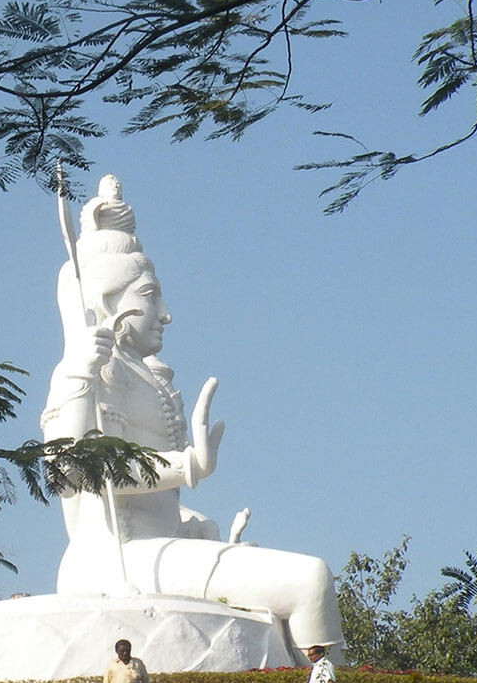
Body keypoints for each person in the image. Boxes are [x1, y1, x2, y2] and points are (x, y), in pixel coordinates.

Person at [41, 175, 344, 655]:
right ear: (107, 304)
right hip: (110, 562)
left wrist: (192, 524)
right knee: (310, 581)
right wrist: (186, 465)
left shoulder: (145, 375)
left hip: (157, 546)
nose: (165, 314)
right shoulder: (85, 374)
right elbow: (72, 472)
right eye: (150, 296)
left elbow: (153, 504)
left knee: (278, 590)